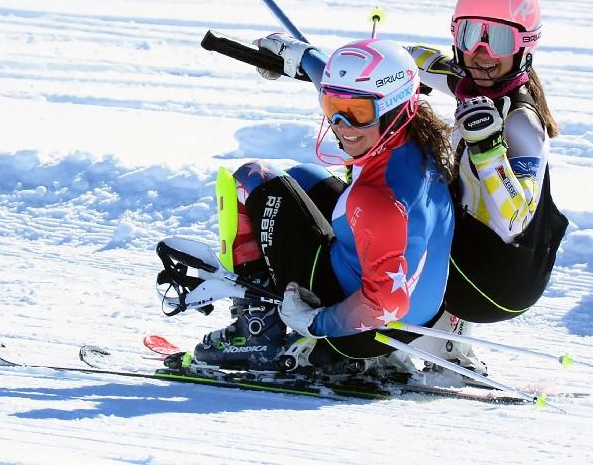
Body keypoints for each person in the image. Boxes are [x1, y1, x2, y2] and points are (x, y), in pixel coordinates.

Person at [190, 37, 457, 372]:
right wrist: (302, 56)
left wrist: (316, 323)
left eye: (358, 113)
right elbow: (345, 88)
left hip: (363, 329)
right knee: (304, 175)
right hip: (417, 314)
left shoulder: (377, 199)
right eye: (331, 107)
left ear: (396, 106)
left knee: (252, 179)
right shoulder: (415, 140)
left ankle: (255, 332)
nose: (342, 126)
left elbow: (384, 303)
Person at [405, 0, 569, 367]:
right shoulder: (473, 86)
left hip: (496, 283)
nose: (479, 52)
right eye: (468, 34)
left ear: (524, 46)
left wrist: (488, 150)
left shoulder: (521, 121)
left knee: (404, 189)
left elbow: (514, 220)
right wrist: (314, 62)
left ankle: (392, 336)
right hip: (485, 266)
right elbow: (407, 59)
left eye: (495, 39)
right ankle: (447, 339)